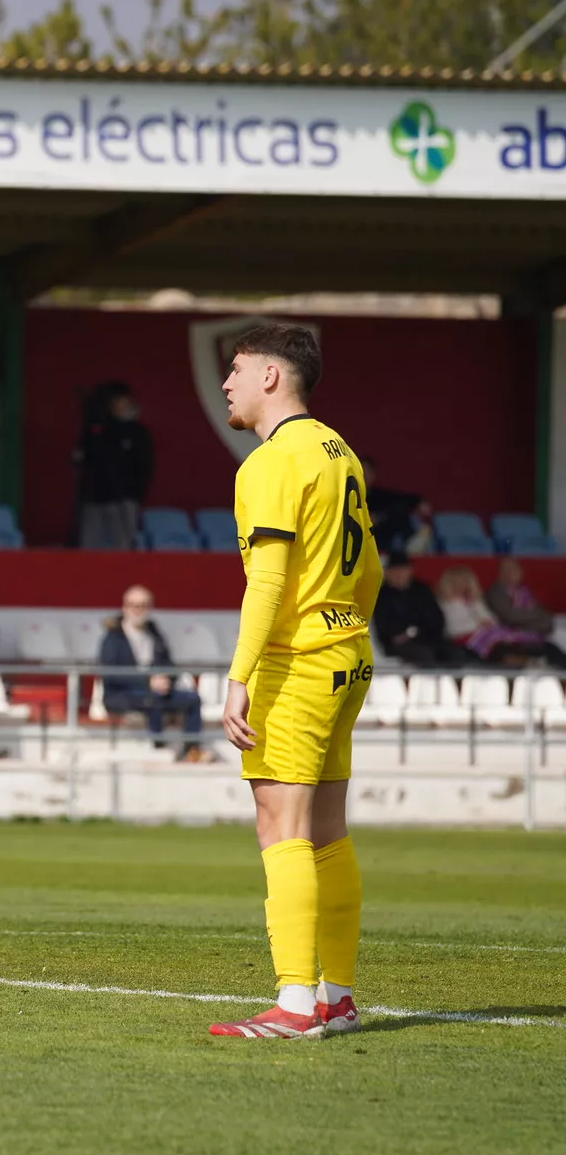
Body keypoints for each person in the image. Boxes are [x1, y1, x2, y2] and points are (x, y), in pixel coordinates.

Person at [213, 323, 378, 1040]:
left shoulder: (271, 462)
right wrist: (347, 626)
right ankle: (335, 995)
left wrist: (238, 675)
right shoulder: (340, 451)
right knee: (328, 834)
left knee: (281, 828)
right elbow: (369, 565)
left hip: (297, 658)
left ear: (273, 377)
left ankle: (294, 1003)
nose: (227, 382)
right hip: (348, 652)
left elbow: (269, 578)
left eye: (238, 368)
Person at [98, 585, 206, 759]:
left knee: (193, 699)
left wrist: (165, 679)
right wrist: (147, 682)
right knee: (152, 699)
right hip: (122, 694)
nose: (137, 610)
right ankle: (159, 747)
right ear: (124, 607)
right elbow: (111, 673)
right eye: (133, 605)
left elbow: (170, 666)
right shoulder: (113, 638)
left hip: (156, 691)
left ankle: (192, 750)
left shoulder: (154, 634)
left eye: (142, 605)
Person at [74, 382, 153, 550]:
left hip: (123, 499)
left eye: (122, 401)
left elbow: (144, 466)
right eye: (115, 401)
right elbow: (82, 458)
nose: (119, 405)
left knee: (122, 547)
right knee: (89, 547)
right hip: (94, 498)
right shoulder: (97, 429)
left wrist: (134, 493)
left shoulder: (137, 432)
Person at [372, 551, 464, 667]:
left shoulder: (422, 590)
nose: (399, 574)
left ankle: (455, 684)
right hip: (398, 643)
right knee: (423, 655)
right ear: (387, 573)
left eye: (403, 570)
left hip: (427, 637)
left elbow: (437, 618)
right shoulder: (381, 595)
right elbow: (383, 626)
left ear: (410, 571)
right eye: (395, 571)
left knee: (454, 653)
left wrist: (419, 631)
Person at [485, 557, 566, 666]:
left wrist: (539, 617)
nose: (510, 574)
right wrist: (537, 617)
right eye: (506, 570)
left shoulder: (524, 591)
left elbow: (541, 612)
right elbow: (510, 617)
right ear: (500, 573)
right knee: (559, 634)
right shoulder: (496, 592)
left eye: (514, 570)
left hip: (537, 627)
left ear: (520, 572)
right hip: (515, 631)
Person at [362, 456, 433, 556]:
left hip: (381, 539)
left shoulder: (379, 495)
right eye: (361, 472)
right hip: (356, 538)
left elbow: (403, 498)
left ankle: (410, 546)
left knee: (399, 509)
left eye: (367, 472)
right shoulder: (345, 496)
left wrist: (420, 501)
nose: (364, 476)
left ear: (373, 475)